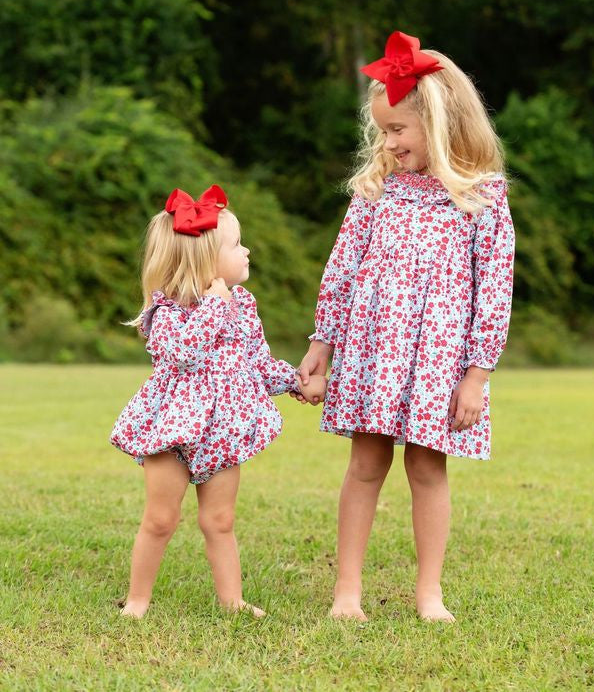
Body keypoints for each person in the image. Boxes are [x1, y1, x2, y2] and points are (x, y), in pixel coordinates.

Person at [294, 31, 515, 622]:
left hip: (438, 360)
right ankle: (347, 591)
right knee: (366, 465)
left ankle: (429, 593)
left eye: (397, 130)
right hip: (372, 349)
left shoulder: (481, 196)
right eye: (382, 131)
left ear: (441, 125)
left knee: (427, 469)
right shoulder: (375, 191)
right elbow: (341, 269)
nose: (387, 143)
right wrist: (322, 342)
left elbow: (494, 289)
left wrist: (476, 375)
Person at [111, 185, 327, 618]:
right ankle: (137, 600)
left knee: (220, 520)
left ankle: (232, 601)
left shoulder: (243, 305)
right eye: (236, 244)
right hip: (172, 429)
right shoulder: (167, 310)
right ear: (204, 262)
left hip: (223, 430)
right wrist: (213, 305)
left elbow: (256, 363)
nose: (247, 251)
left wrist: (295, 382)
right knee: (160, 519)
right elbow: (182, 352)